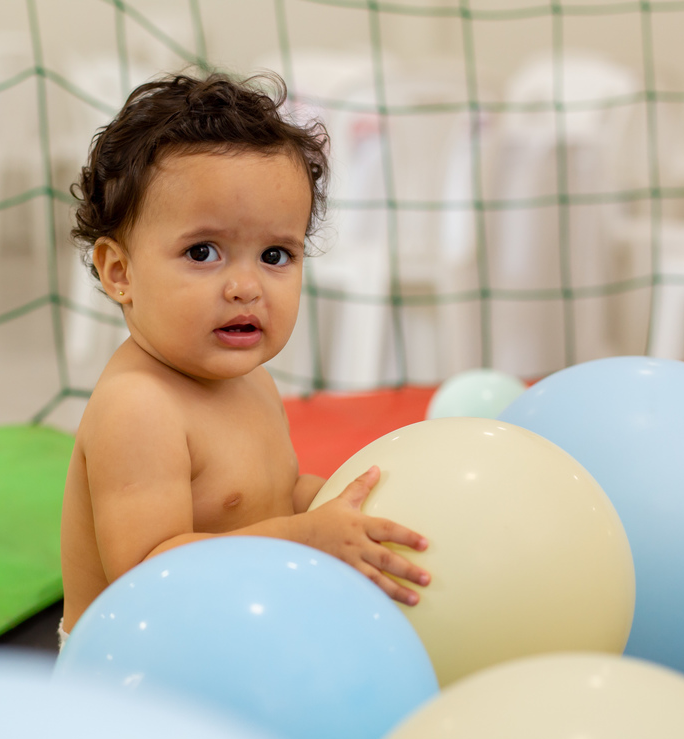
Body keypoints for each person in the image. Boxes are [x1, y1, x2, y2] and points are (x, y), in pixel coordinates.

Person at [58, 72, 429, 646]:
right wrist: (306, 537)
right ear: (119, 272)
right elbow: (148, 577)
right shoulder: (138, 407)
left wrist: (340, 504)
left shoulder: (252, 382)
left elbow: (273, 496)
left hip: (232, 634)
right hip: (131, 666)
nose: (245, 287)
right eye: (203, 252)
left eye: (275, 255)